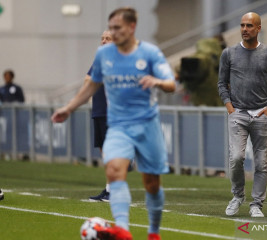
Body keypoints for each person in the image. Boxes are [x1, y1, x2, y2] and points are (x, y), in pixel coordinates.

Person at [51, 7, 175, 240]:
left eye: (118, 28)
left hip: (146, 124)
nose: (113, 33)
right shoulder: (104, 56)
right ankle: (122, 229)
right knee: (114, 170)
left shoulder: (149, 53)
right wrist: (68, 108)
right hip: (118, 125)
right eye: (111, 28)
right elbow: (90, 85)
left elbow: (171, 84)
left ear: (131, 28)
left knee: (151, 183)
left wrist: (156, 81)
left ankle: (154, 232)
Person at [217, 12, 267, 218]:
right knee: (236, 158)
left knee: (261, 163)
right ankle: (237, 196)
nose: (245, 29)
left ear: (258, 28)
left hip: (261, 114)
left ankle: (257, 204)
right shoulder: (228, 54)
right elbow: (221, 83)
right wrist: (229, 106)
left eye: (249, 25)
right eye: (242, 25)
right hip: (237, 112)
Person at [88, 30, 113, 202]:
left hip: (109, 113)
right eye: (102, 38)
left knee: (111, 153)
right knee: (105, 153)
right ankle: (109, 188)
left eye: (107, 38)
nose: (103, 41)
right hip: (98, 111)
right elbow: (89, 79)